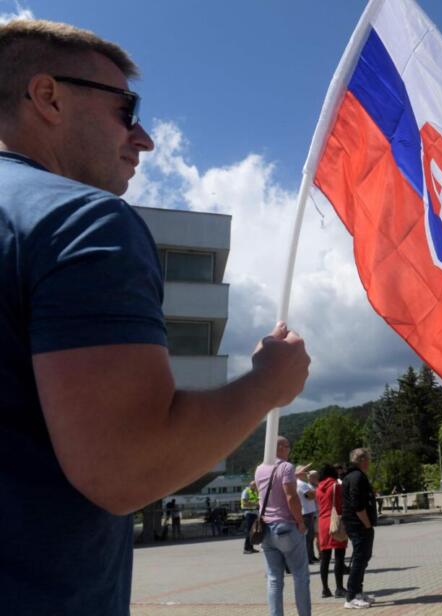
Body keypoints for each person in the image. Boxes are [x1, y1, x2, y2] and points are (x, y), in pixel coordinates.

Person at [0, 20, 311, 615]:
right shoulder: (80, 222)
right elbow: (126, 469)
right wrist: (269, 385)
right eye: (126, 110)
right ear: (47, 97)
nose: (143, 139)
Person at [254, 437, 310, 616]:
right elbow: (291, 496)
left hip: (266, 529)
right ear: (279, 447)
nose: (289, 449)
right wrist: (300, 521)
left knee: (274, 579)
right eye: (287, 446)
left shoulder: (259, 469)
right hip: (286, 526)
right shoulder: (286, 467)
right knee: (300, 575)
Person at [342, 448, 377, 609]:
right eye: (367, 459)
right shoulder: (357, 477)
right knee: (360, 558)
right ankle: (350, 597)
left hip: (357, 524)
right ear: (362, 460)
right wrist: (367, 524)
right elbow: (357, 504)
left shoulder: (352, 475)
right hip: (358, 525)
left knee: (363, 558)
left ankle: (358, 592)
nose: (369, 462)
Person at [315, 464, 347, 599]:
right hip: (335, 522)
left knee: (325, 558)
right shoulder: (336, 486)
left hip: (322, 522)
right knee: (339, 556)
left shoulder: (318, 488)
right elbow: (341, 504)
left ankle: (325, 589)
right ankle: (339, 588)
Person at [296, 466, 319, 564]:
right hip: (306, 513)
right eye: (305, 472)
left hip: (306, 512)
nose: (307, 474)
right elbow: (310, 496)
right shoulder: (302, 484)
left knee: (310, 537)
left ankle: (311, 556)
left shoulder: (300, 483)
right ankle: (308, 557)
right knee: (308, 537)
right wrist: (316, 491)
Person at [241, 480, 261, 553]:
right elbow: (244, 502)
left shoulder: (254, 492)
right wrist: (255, 504)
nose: (256, 487)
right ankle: (246, 548)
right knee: (249, 531)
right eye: (255, 486)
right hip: (249, 513)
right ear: (251, 485)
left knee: (253, 531)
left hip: (254, 513)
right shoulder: (246, 491)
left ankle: (251, 547)